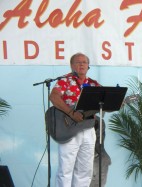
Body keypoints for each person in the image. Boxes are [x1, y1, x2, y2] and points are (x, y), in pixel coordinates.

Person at [49, 52, 101, 187]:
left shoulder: (94, 84)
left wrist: (117, 102)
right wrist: (71, 113)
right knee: (65, 170)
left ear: (88, 66)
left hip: (89, 129)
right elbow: (54, 97)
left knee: (85, 170)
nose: (82, 64)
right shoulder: (65, 80)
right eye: (78, 62)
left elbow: (104, 103)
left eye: (84, 62)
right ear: (72, 65)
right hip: (69, 128)